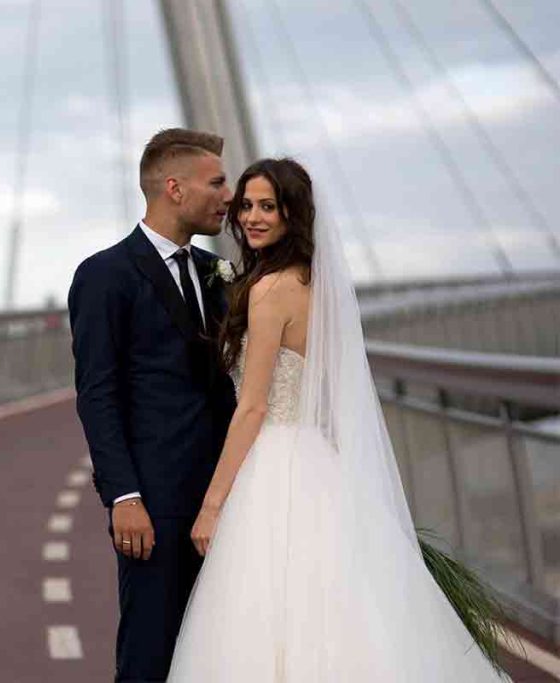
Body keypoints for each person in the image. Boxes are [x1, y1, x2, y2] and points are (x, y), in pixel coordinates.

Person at [167, 158, 504, 681]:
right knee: (342, 611)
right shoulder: (312, 283)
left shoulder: (269, 289)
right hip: (317, 461)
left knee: (266, 615)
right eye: (248, 205)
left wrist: (212, 506)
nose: (253, 217)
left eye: (268, 207)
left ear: (292, 214)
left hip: (273, 467)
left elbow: (253, 406)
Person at [68, 128, 238, 681]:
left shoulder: (216, 273)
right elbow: (97, 394)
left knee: (220, 651)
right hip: (155, 503)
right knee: (150, 655)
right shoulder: (105, 275)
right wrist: (124, 496)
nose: (228, 195)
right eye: (216, 182)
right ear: (174, 188)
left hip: (228, 498)